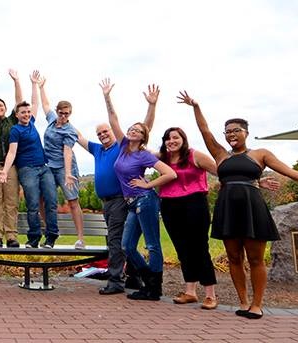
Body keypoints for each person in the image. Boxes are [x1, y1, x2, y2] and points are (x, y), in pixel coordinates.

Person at [178, 90, 298, 319]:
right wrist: (196, 107)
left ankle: (257, 304)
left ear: (246, 132)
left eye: (236, 130)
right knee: (234, 257)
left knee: (256, 258)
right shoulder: (220, 155)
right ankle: (243, 301)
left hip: (253, 208)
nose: (231, 135)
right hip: (227, 208)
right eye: (228, 131)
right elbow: (205, 131)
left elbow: (289, 172)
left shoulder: (260, 154)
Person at [75, 85, 157, 294]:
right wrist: (59, 118)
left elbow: (145, 127)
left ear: (113, 133)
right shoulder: (97, 149)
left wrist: (151, 105)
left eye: (105, 131)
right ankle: (134, 277)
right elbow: (78, 137)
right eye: (99, 133)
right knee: (120, 241)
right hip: (106, 203)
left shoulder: (122, 148)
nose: (102, 135)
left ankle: (116, 281)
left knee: (116, 241)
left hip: (121, 199)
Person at [104, 78, 177, 301]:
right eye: (130, 129)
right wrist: (107, 97)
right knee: (127, 246)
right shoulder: (124, 148)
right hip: (131, 203)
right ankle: (150, 282)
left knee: (153, 244)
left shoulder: (144, 155)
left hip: (145, 200)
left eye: (137, 130)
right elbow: (113, 119)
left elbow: (170, 174)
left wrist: (147, 184)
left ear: (143, 136)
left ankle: (154, 288)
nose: (132, 131)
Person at [156, 127, 219, 309]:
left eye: (175, 137)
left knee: (199, 247)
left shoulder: (195, 155)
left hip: (194, 203)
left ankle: (210, 294)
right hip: (169, 205)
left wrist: (254, 181)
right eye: (168, 138)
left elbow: (221, 171)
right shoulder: (163, 158)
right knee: (182, 248)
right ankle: (190, 292)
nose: (172, 141)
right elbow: (137, 145)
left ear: (183, 139)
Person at [0, 71, 59, 248]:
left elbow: (35, 103)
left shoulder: (31, 122)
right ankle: (33, 238)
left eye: (27, 112)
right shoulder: (15, 130)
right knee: (32, 205)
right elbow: (11, 153)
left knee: (51, 202)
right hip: (27, 170)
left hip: (44, 168)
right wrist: (4, 171)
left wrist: (33, 84)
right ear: (16, 114)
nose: (26, 114)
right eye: (22, 112)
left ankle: (51, 236)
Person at [38, 77, 84, 249]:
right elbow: (45, 105)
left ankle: (80, 238)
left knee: (73, 202)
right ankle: (50, 230)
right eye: (61, 113)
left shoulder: (70, 130)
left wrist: (67, 174)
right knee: (43, 198)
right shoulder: (51, 120)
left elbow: (67, 151)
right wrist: (41, 87)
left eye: (67, 114)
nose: (64, 116)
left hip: (66, 169)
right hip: (49, 166)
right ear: (57, 112)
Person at [0, 70, 22, 248]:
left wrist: (16, 81)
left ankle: (11, 235)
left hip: (11, 168)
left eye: (1, 106)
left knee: (11, 201)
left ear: (6, 109)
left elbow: (20, 102)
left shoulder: (12, 122)